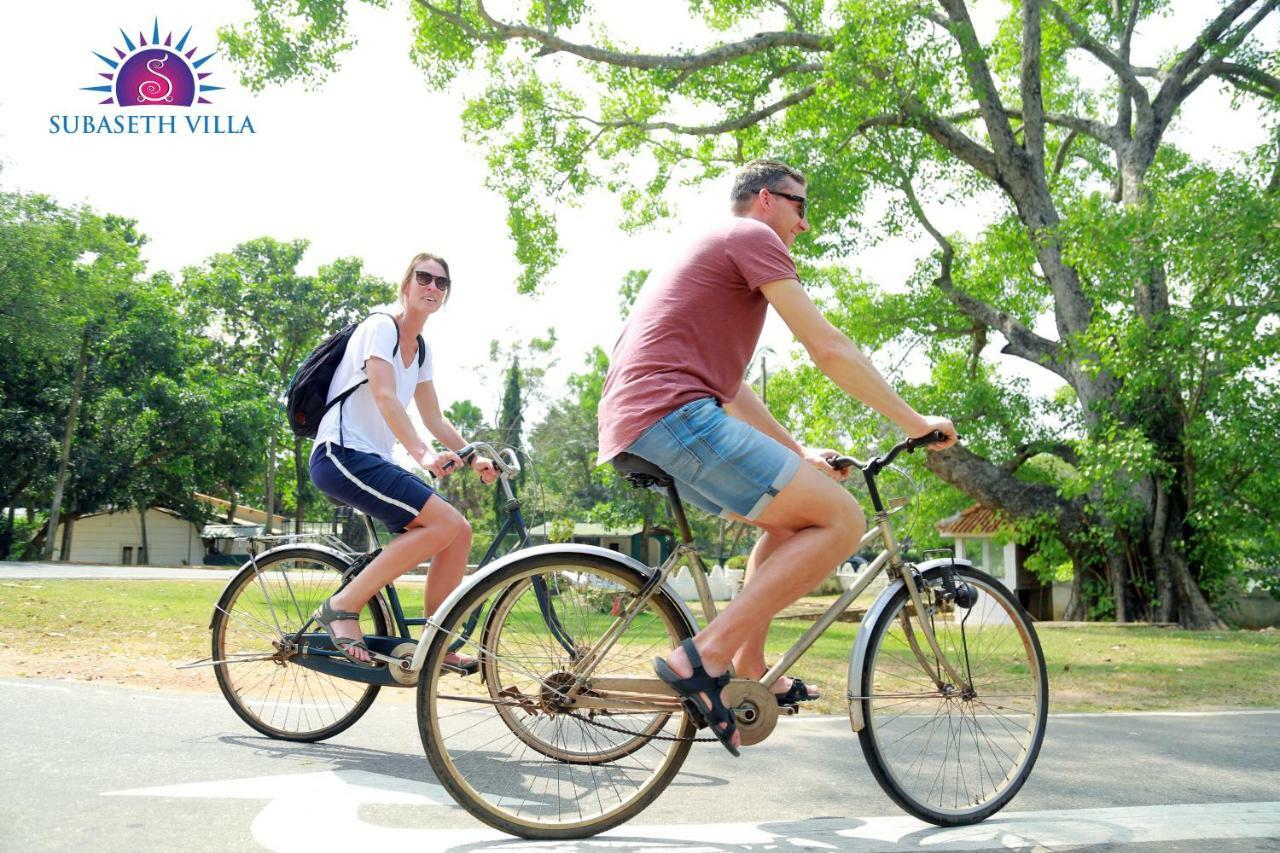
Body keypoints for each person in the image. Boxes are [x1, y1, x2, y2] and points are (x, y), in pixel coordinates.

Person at [596, 159, 958, 754]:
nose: (805, 224)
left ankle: (751, 665)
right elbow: (828, 348)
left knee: (790, 520)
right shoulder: (752, 236)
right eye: (799, 206)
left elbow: (734, 390)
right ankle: (704, 656)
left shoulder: (715, 254)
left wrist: (797, 454)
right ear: (765, 199)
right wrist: (915, 423)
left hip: (647, 418)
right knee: (844, 520)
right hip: (673, 414)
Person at [309, 252, 497, 668]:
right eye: (424, 278)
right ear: (406, 285)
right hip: (340, 454)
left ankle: (436, 643)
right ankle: (341, 606)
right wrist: (424, 454)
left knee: (458, 531)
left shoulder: (422, 349)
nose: (432, 287)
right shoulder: (380, 327)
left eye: (441, 283)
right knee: (446, 522)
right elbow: (385, 395)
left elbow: (433, 417)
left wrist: (473, 457)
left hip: (371, 460)